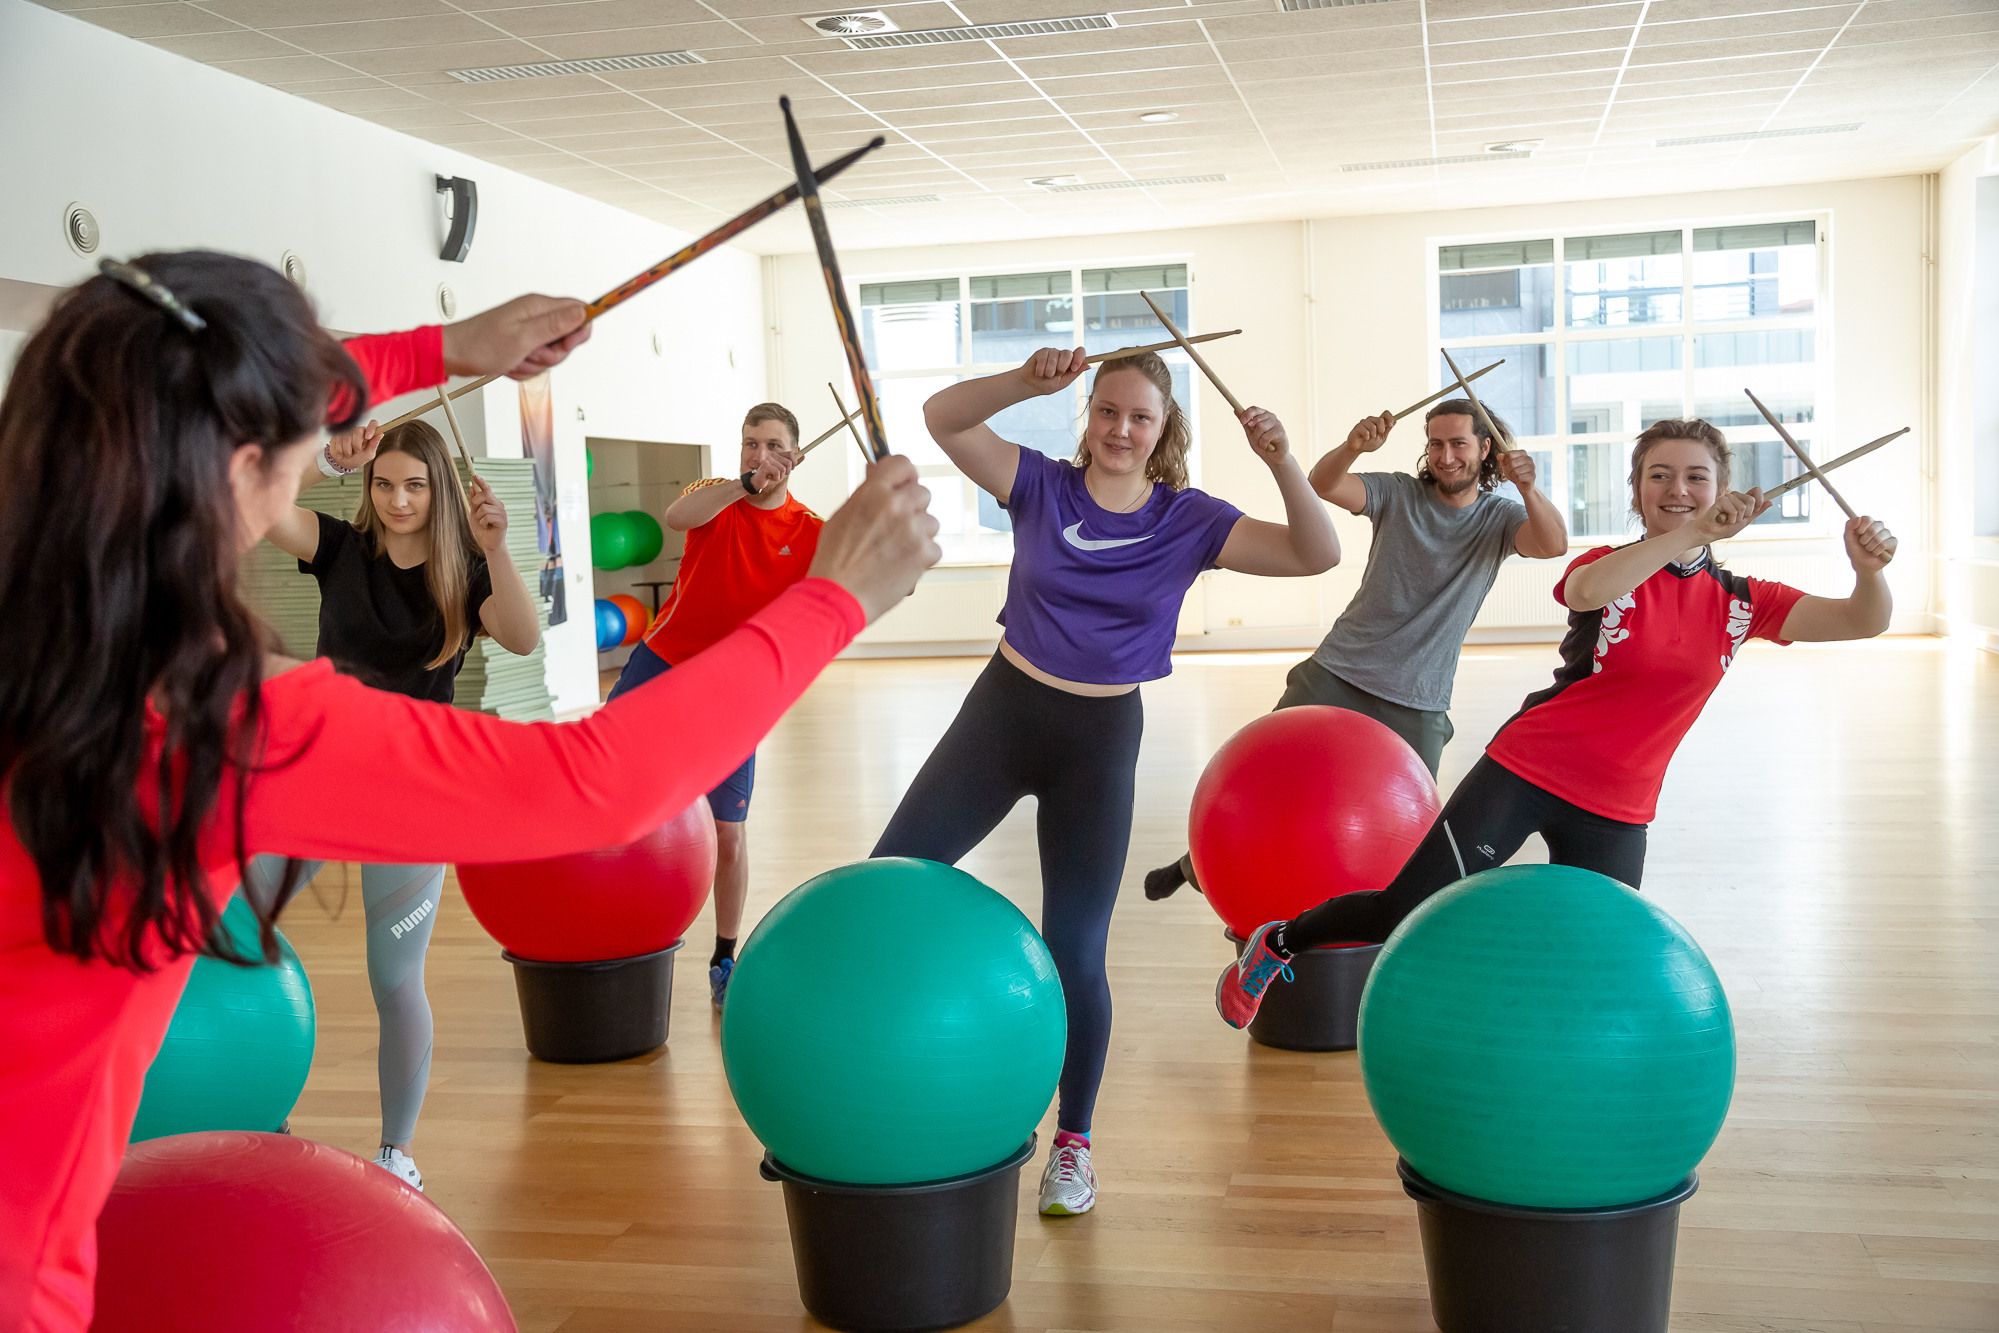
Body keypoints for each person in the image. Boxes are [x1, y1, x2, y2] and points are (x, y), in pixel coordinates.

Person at [0, 251, 939, 1333]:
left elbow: (240, 387)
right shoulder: (219, 722)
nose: (324, 464)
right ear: (240, 467)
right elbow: (596, 784)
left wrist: (447, 352)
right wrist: (835, 597)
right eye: (306, 452)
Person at [1216, 418, 1898, 1028]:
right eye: (1658, 475)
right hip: (1526, 770)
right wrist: (1693, 532)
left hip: (1619, 807)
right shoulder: (1606, 565)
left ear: (1723, 487)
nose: (1677, 488)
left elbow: (1861, 620)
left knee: (1594, 953)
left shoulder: (1745, 603)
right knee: (1403, 909)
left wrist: (1868, 573)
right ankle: (1277, 942)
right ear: (1636, 492)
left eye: (1695, 476)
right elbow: (1582, 593)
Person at [872, 346, 1340, 1217]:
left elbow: (1316, 553)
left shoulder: (1190, 519)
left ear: (1164, 432)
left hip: (1098, 737)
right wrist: (1025, 382)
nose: (1120, 429)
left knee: (1075, 950)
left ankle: (1073, 1143)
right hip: (1002, 714)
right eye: (1106, 411)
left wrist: (1281, 459)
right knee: (890, 875)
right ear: (1085, 416)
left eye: (1140, 417)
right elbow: (942, 417)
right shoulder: (1039, 486)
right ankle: (893, 1074)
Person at [241, 415, 540, 1189]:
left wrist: (497, 546)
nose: (399, 499)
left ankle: (397, 1153)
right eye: (385, 483)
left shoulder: (464, 574)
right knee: (233, 923)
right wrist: (328, 463)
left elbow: (523, 638)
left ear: (439, 489)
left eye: (414, 484)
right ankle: (253, 1105)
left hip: (410, 792)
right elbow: (248, 502)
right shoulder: (338, 546)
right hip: (318, 777)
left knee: (393, 977)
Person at [1143, 398, 1568, 902]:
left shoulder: (1500, 518)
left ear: (1487, 451)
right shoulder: (1398, 492)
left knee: (1405, 826)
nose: (1446, 456)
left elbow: (1553, 544)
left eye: (1459, 444)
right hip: (1339, 670)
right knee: (1269, 782)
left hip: (1419, 698)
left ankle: (1361, 919)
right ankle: (1199, 864)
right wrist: (1353, 446)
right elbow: (1324, 485)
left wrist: (1528, 486)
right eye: (1436, 444)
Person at [605, 402, 824, 1008]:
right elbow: (677, 514)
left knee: (728, 832)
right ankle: (610, 927)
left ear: (794, 455)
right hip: (663, 662)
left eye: (773, 445)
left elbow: (860, 578)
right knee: (606, 785)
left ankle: (725, 955)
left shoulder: (808, 530)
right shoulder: (714, 494)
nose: (759, 455)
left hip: (734, 689)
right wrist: (742, 484)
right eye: (751, 443)